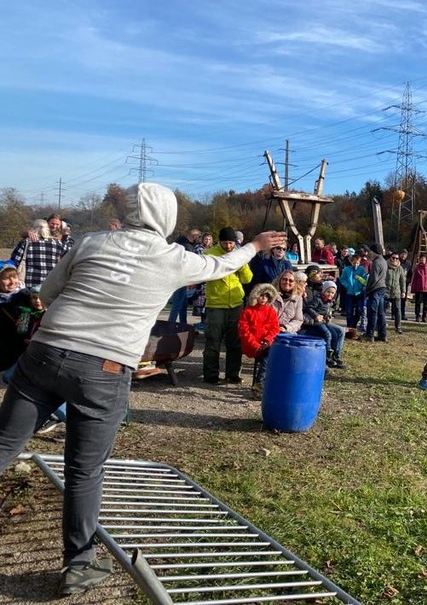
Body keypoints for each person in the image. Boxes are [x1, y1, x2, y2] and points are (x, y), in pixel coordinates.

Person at [0, 182, 285, 596]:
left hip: (44, 352)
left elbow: (46, 293)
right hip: (103, 367)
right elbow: (221, 266)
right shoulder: (174, 258)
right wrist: (255, 245)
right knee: (83, 470)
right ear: (166, 217)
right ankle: (78, 565)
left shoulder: (92, 242)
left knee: (4, 442)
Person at [202, 227, 254, 385]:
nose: (228, 246)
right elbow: (203, 275)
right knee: (213, 341)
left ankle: (233, 374)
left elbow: (247, 279)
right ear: (219, 241)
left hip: (236, 304)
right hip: (216, 304)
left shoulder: (239, 255)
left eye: (231, 243)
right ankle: (211, 375)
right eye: (225, 243)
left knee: (235, 342)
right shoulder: (209, 254)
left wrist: (242, 263)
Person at [238, 283, 281, 396]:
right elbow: (244, 331)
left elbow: (275, 328)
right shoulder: (248, 312)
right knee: (267, 355)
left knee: (270, 353)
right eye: (261, 295)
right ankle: (259, 383)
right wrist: (254, 344)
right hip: (251, 345)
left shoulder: (271, 312)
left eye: (266, 296)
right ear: (256, 296)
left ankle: (259, 383)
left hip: (266, 344)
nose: (263, 298)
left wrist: (267, 340)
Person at [10, 218, 71, 288]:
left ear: (34, 228)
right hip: (50, 282)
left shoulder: (27, 242)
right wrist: (66, 236)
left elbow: (15, 260)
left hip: (30, 281)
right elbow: (68, 257)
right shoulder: (58, 243)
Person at [301, 280, 347, 368]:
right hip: (316, 321)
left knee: (339, 331)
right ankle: (327, 354)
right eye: (328, 292)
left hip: (324, 321)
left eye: (332, 293)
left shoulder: (329, 301)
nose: (330, 294)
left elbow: (327, 311)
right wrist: (316, 315)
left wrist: (328, 316)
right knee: (328, 334)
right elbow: (309, 308)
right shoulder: (318, 299)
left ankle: (337, 355)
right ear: (323, 291)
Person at [167, 228, 201, 326]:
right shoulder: (187, 247)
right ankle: (171, 326)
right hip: (181, 278)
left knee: (183, 304)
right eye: (197, 237)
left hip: (176, 276)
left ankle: (183, 324)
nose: (198, 239)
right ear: (194, 236)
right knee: (177, 304)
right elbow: (188, 265)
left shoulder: (179, 243)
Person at [364, 244, 388, 342]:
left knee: (372, 313)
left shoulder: (376, 262)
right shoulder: (384, 261)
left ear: (374, 252)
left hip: (375, 289)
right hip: (382, 288)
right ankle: (383, 335)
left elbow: (373, 278)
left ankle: (370, 335)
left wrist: (367, 289)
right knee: (381, 313)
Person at [338, 254, 367, 330]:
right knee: (349, 311)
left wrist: (359, 278)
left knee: (359, 310)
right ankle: (349, 326)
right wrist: (348, 286)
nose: (356, 265)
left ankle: (354, 325)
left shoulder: (362, 270)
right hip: (349, 293)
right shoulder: (347, 269)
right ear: (351, 262)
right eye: (354, 263)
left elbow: (365, 282)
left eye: (357, 263)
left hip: (359, 293)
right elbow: (342, 279)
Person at [273, 270, 305, 334]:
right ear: (280, 281)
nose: (287, 282)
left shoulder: (298, 299)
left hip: (286, 331)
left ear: (294, 283)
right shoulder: (271, 295)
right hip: (270, 330)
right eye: (284, 279)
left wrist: (286, 327)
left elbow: (298, 320)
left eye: (290, 281)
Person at [386, 251, 407, 334]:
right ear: (390, 258)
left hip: (396, 292)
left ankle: (398, 327)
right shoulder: (386, 266)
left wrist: (403, 291)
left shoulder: (400, 268)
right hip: (386, 291)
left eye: (396, 258)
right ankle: (381, 325)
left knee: (398, 310)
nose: (395, 259)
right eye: (393, 257)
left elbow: (402, 280)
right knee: (382, 309)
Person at [410, 253, 427, 323]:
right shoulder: (417, 267)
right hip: (418, 288)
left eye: (424, 259)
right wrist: (413, 288)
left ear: (426, 259)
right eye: (422, 259)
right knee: (417, 303)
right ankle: (417, 316)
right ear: (420, 259)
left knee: (426, 304)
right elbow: (414, 278)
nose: (423, 260)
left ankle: (424, 316)